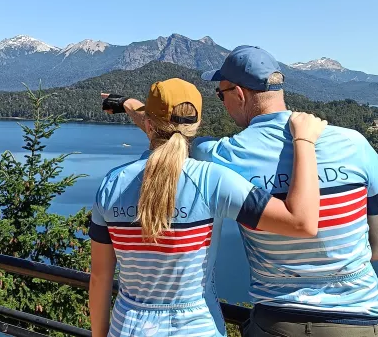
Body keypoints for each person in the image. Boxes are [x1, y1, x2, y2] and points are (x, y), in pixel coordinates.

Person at [109, 46, 378, 336]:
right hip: (357, 319)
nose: (222, 103)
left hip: (275, 323)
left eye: (220, 95)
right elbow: (376, 246)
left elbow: (167, 132)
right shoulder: (355, 144)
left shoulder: (222, 156)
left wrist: (130, 105)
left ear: (239, 94)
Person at [89, 78, 326, 337]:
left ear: (147, 125)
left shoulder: (112, 183)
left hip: (127, 328)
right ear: (197, 125)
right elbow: (301, 222)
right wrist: (304, 141)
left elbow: (100, 278)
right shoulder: (211, 180)